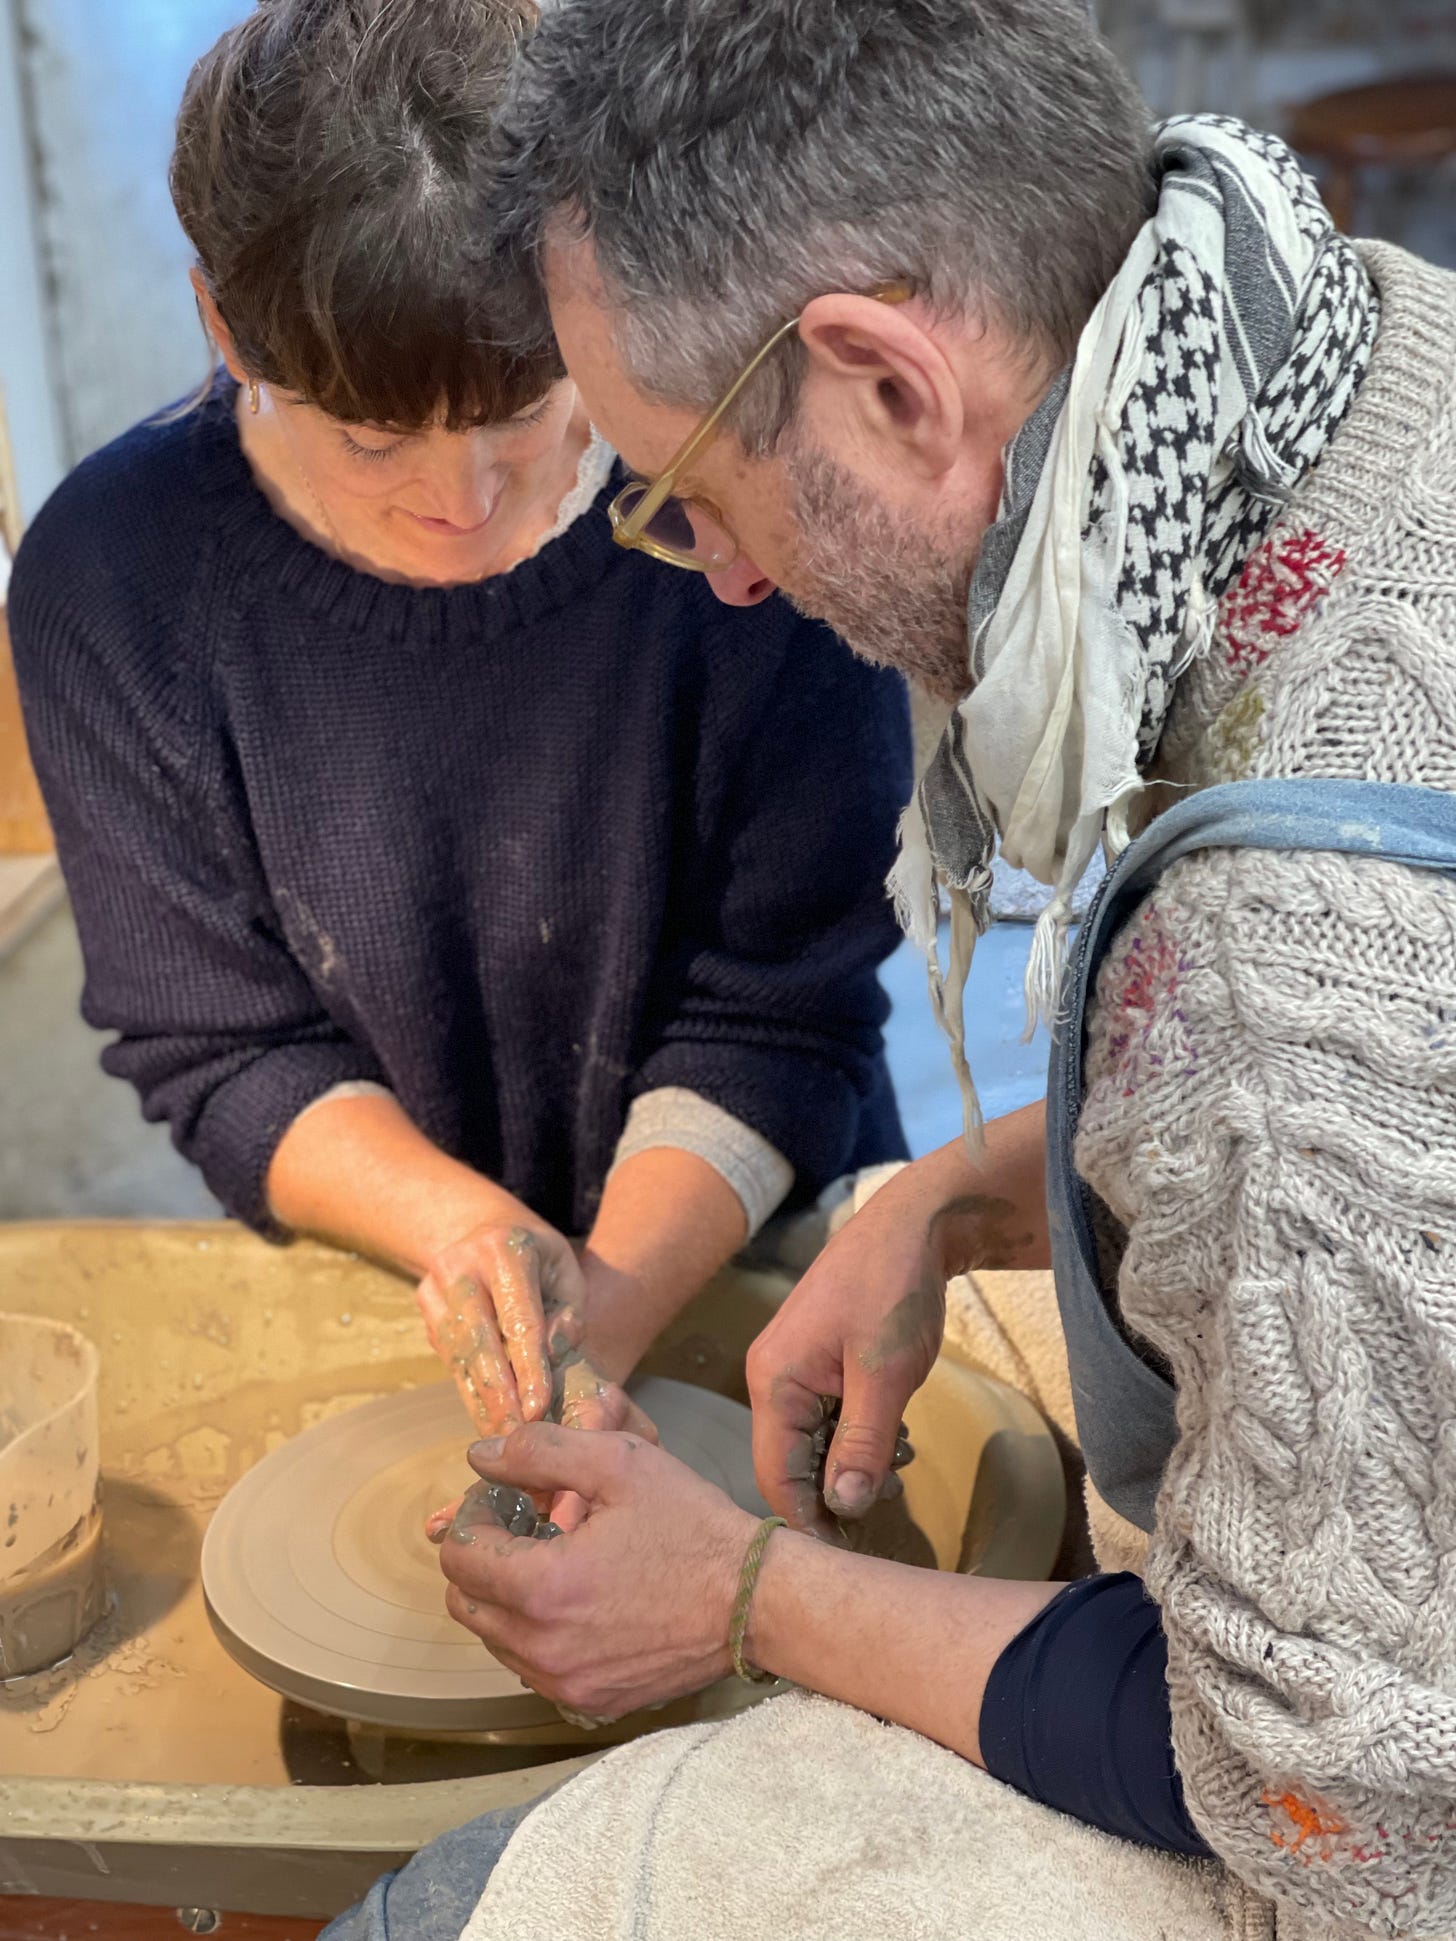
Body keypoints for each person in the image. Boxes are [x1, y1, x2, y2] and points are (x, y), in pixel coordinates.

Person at [331, 0, 1456, 1935]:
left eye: (688, 491)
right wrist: (957, 1191)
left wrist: (742, 1594)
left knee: (436, 1910)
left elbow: (1344, 1803)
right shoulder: (1363, 321)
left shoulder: (1268, 990)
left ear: (887, 383)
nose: (722, 569)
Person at [10, 0, 911, 1449]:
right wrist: (466, 1236)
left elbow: (781, 1003)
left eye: (533, 411)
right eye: (372, 440)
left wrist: (597, 1317)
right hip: (396, 1269)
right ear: (222, 326)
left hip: (757, 1222)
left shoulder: (745, 516)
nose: (463, 501)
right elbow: (219, 1042)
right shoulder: (114, 579)